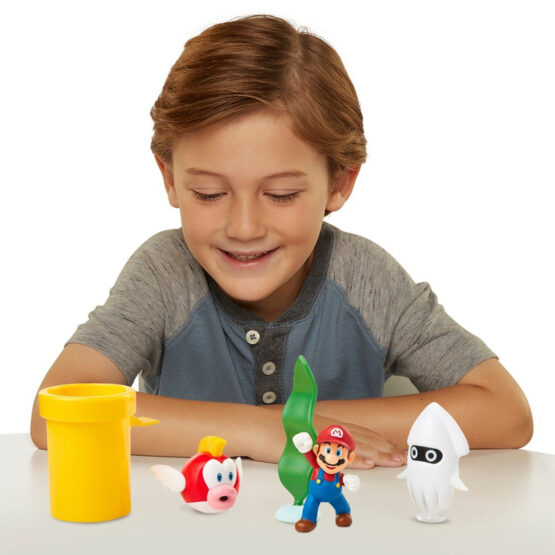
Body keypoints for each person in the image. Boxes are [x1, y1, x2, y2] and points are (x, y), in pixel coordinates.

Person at [30, 14, 533, 468]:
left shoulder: (366, 279)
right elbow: (54, 413)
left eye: (280, 194)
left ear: (339, 183)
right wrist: (259, 429)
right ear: (169, 178)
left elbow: (507, 413)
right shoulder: (164, 274)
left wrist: (301, 421)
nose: (244, 227)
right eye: (209, 194)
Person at [293, 425, 359, 532]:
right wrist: (305, 448)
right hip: (315, 496)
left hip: (335, 496)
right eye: (328, 450)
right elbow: (310, 457)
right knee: (310, 505)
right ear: (317, 451)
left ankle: (343, 514)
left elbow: (343, 479)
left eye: (338, 453)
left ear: (350, 458)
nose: (332, 459)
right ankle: (308, 519)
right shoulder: (317, 466)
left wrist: (348, 480)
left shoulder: (338, 475)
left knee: (342, 506)